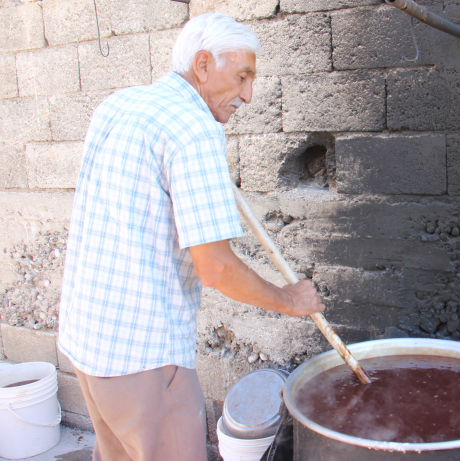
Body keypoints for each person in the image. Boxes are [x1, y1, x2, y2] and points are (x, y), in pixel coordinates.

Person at [57, 13, 325, 461]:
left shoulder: (119, 104)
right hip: (143, 359)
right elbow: (216, 268)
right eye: (242, 77)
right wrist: (290, 300)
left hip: (88, 343)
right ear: (203, 65)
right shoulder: (193, 128)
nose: (248, 95)